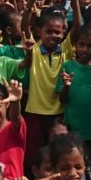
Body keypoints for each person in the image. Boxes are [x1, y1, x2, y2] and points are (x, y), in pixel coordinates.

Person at [58, 26, 91, 180]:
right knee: (76, 168)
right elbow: (62, 99)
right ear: (75, 45)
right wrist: (66, 86)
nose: (85, 49)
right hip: (75, 130)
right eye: (82, 44)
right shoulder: (68, 67)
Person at [18, 10, 72, 158]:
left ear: (63, 33)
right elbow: (24, 27)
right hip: (34, 110)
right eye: (48, 31)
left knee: (59, 152)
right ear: (38, 32)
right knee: (32, 153)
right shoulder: (33, 49)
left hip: (58, 111)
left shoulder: (65, 50)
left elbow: (78, 28)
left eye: (57, 32)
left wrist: (74, 3)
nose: (53, 35)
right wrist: (30, 4)